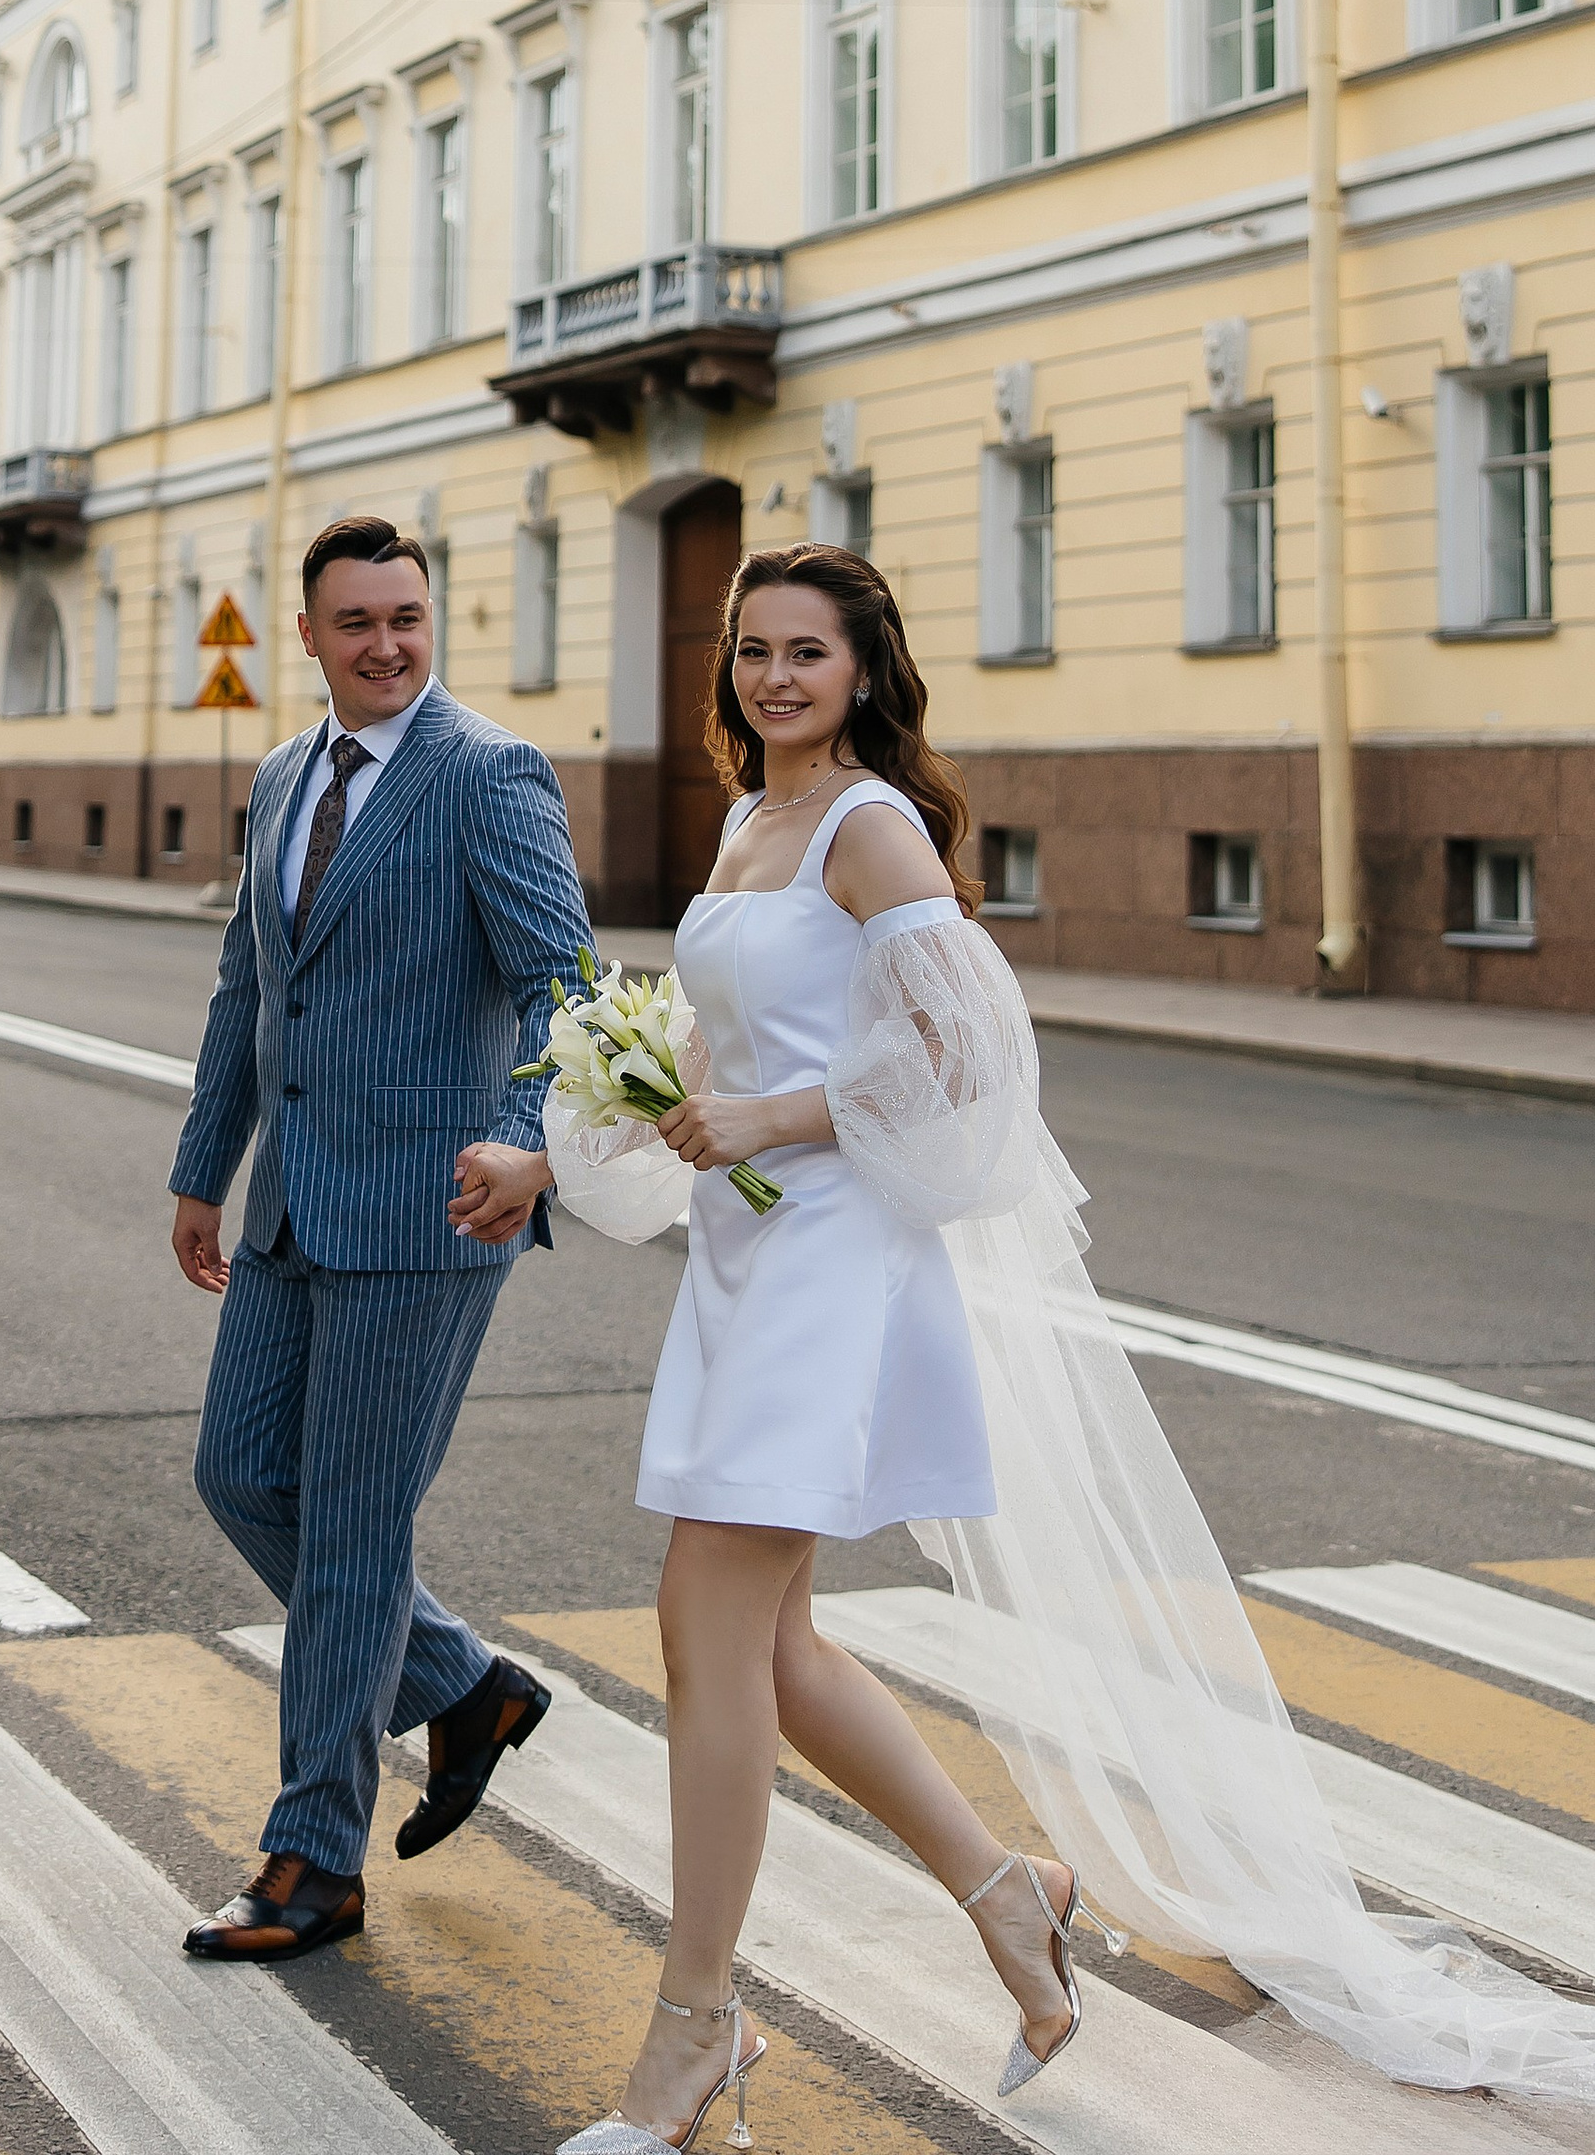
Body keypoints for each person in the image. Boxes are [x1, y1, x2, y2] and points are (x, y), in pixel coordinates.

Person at [553, 541, 1595, 2150]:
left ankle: (693, 2036)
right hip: (752, 1256)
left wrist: (778, 1113)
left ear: (864, 673)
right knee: (775, 1651)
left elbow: (975, 1061)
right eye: (753, 651)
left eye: (807, 654)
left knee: (709, 1636)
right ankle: (1010, 1892)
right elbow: (725, 1036)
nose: (773, 677)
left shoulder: (867, 825)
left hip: (835, 1257)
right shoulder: (752, 822)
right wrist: (586, 1136)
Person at [169, 512, 593, 1963]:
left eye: (407, 616)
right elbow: (247, 986)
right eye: (357, 623)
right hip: (293, 1200)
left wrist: (534, 1146)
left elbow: (562, 982)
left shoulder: (489, 776)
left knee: (351, 1537)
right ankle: (464, 1685)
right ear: (310, 638)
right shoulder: (287, 771)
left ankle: (313, 1860)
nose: (389, 643)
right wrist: (201, 1168)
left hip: (430, 1213)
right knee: (238, 1476)